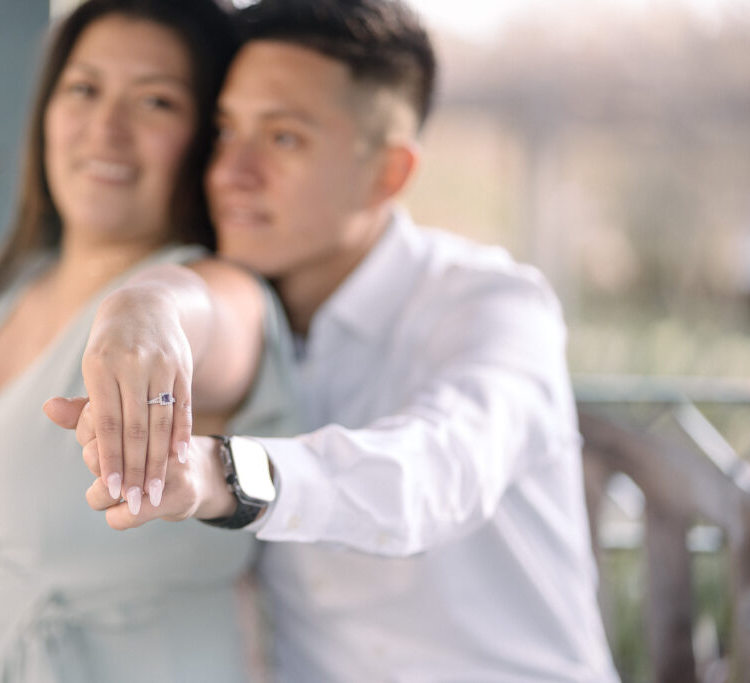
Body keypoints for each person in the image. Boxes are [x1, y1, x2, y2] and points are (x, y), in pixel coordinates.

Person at [48, 0, 620, 680]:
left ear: (389, 173)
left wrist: (228, 474)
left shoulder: (493, 303)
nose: (232, 172)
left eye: (284, 138)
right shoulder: (237, 323)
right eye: (227, 131)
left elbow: (439, 468)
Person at [0, 1, 301, 681]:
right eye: (84, 89)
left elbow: (203, 317)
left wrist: (146, 313)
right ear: (47, 110)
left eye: (156, 102)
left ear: (204, 136)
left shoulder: (219, 290)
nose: (107, 128)